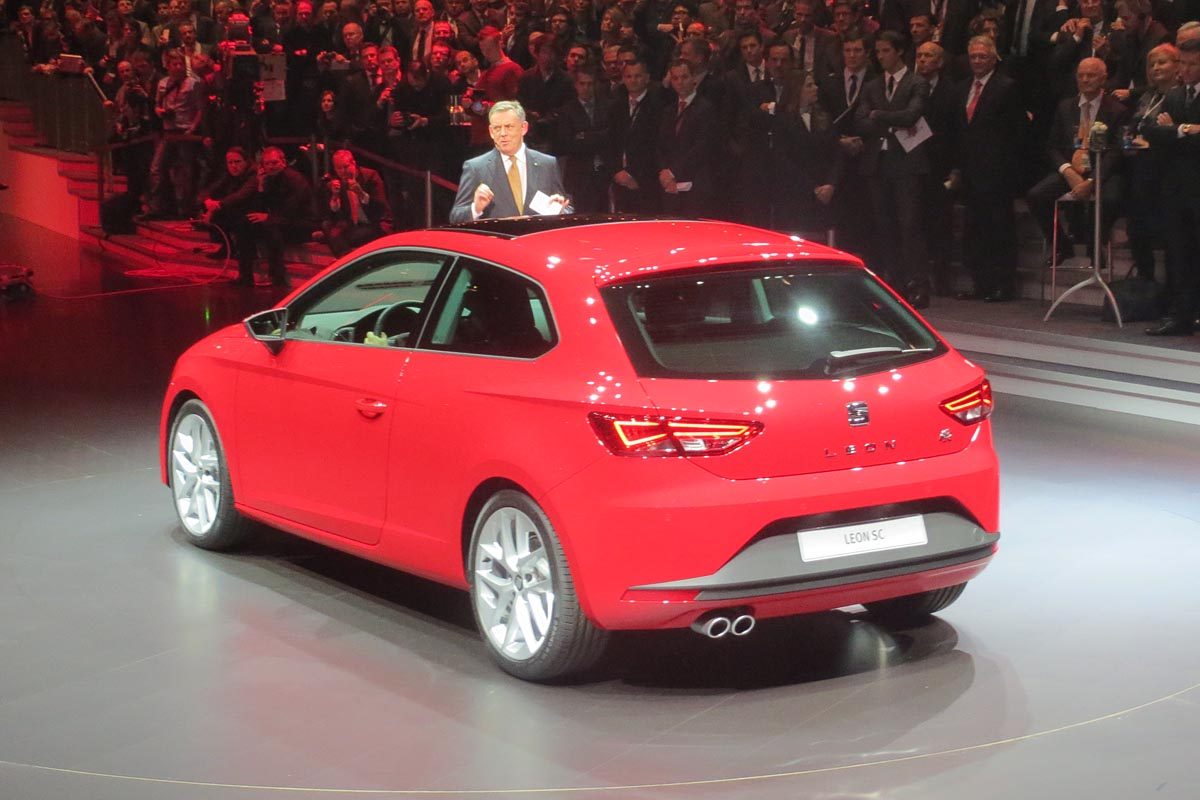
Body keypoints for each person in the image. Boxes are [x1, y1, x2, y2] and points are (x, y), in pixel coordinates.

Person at [855, 30, 932, 307]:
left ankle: (918, 283)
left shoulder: (916, 82)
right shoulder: (873, 86)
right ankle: (894, 282)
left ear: (899, 51)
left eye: (886, 50)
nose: (881, 56)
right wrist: (888, 120)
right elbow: (860, 121)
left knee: (909, 225)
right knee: (884, 224)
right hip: (878, 161)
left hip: (906, 162)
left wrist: (879, 115)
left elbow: (912, 115)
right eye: (878, 52)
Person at [947, 35, 1026, 301]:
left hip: (997, 170)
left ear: (993, 58)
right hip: (969, 170)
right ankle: (980, 282)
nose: (978, 61)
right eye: (973, 57)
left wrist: (1010, 168)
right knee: (974, 228)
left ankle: (1003, 283)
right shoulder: (961, 88)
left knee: (999, 227)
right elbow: (958, 130)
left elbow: (1018, 132)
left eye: (982, 56)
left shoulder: (1007, 86)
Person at [1144, 38, 1200, 336]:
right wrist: (1185, 129)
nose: (1186, 70)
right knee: (1178, 253)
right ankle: (1181, 315)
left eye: (1193, 64)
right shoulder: (1175, 95)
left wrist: (1173, 131)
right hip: (1176, 186)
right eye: (1183, 63)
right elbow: (1150, 130)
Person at [449, 100, 568, 221]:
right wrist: (476, 208)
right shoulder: (476, 168)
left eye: (509, 127)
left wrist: (560, 210)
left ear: (524, 128)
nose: (503, 133)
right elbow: (456, 217)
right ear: (491, 132)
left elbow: (567, 209)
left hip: (537, 233)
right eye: (497, 128)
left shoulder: (547, 164)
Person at [225, 146, 315, 286]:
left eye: (274, 163)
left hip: (300, 223)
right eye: (267, 164)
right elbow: (260, 207)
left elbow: (291, 210)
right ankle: (245, 274)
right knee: (244, 223)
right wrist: (261, 186)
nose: (271, 167)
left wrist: (269, 217)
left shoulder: (295, 180)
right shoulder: (268, 179)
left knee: (271, 227)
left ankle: (277, 275)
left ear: (283, 162)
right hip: (279, 219)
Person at [320, 149, 391, 256]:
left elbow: (381, 208)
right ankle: (344, 255)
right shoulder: (336, 181)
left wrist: (361, 193)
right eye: (339, 168)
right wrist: (335, 196)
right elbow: (332, 214)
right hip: (352, 224)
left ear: (353, 163)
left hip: (374, 223)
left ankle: (344, 256)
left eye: (346, 167)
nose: (343, 171)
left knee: (341, 237)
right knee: (327, 225)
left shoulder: (370, 175)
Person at [198, 146, 256, 259]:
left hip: (252, 211)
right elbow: (209, 190)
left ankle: (242, 251)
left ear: (246, 162)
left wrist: (217, 206)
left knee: (220, 213)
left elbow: (240, 196)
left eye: (237, 162)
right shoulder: (229, 174)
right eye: (230, 162)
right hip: (236, 209)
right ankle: (227, 247)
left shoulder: (253, 175)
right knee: (207, 209)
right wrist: (208, 201)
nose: (234, 166)